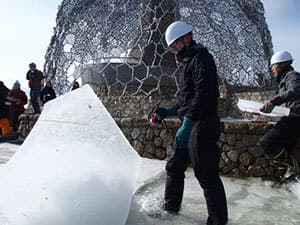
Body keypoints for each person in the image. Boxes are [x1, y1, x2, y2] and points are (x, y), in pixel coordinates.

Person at [153, 21, 228, 225]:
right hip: (190, 121)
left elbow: (204, 94)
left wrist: (188, 123)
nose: (173, 49)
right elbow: (187, 99)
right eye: (171, 47)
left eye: (174, 45)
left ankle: (218, 220)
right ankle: (170, 209)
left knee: (206, 173)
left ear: (187, 38)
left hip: (203, 123)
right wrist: (168, 111)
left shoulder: (202, 58)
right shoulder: (187, 62)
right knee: (174, 166)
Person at [260, 50, 300, 172]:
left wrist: (273, 102)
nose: (272, 69)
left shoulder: (292, 76)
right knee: (285, 148)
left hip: (296, 118)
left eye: (273, 66)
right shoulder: (284, 80)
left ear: (281, 65)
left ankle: (293, 172)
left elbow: (296, 89)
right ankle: (289, 178)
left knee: (267, 142)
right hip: (292, 117)